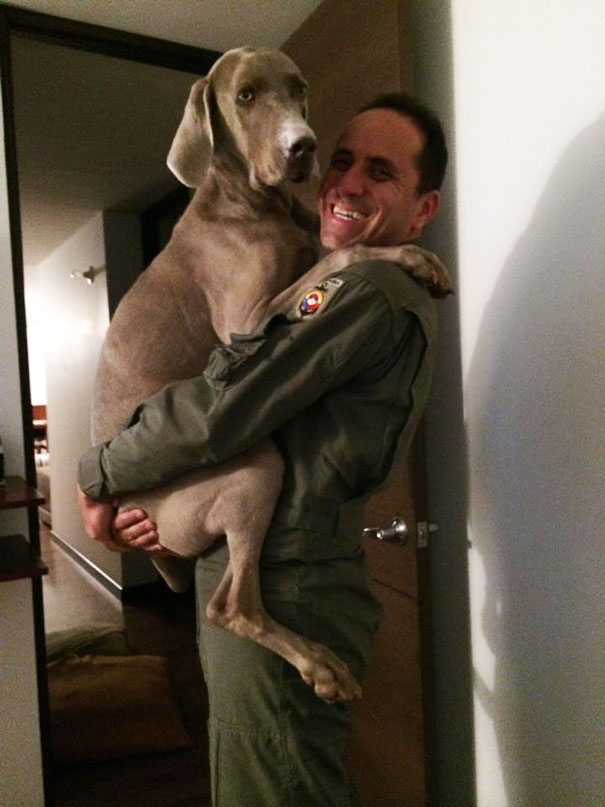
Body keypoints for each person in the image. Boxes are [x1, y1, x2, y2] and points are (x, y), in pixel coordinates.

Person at [78, 92, 448, 806]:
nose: (346, 184)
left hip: (284, 579)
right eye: (342, 161)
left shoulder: (362, 288)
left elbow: (226, 404)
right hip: (272, 564)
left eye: (379, 173)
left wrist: (98, 473)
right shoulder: (352, 275)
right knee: (274, 777)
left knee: (269, 786)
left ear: (423, 208)